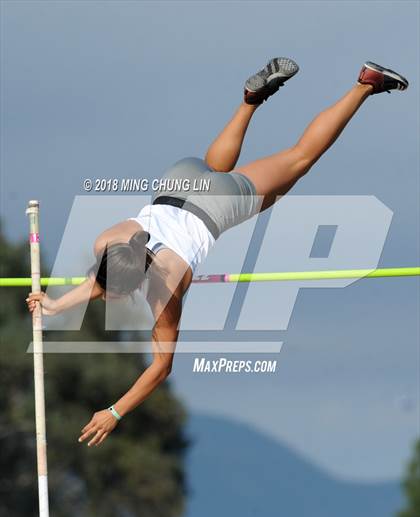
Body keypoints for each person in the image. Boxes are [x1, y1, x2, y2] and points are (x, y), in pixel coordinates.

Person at [26, 58, 408, 447]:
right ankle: (249, 101)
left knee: (299, 159)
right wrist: (56, 306)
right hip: (179, 179)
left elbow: (161, 367)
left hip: (216, 206)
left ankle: (366, 84)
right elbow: (105, 276)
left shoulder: (165, 292)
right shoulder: (109, 242)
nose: (108, 296)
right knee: (215, 167)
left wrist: (114, 411)